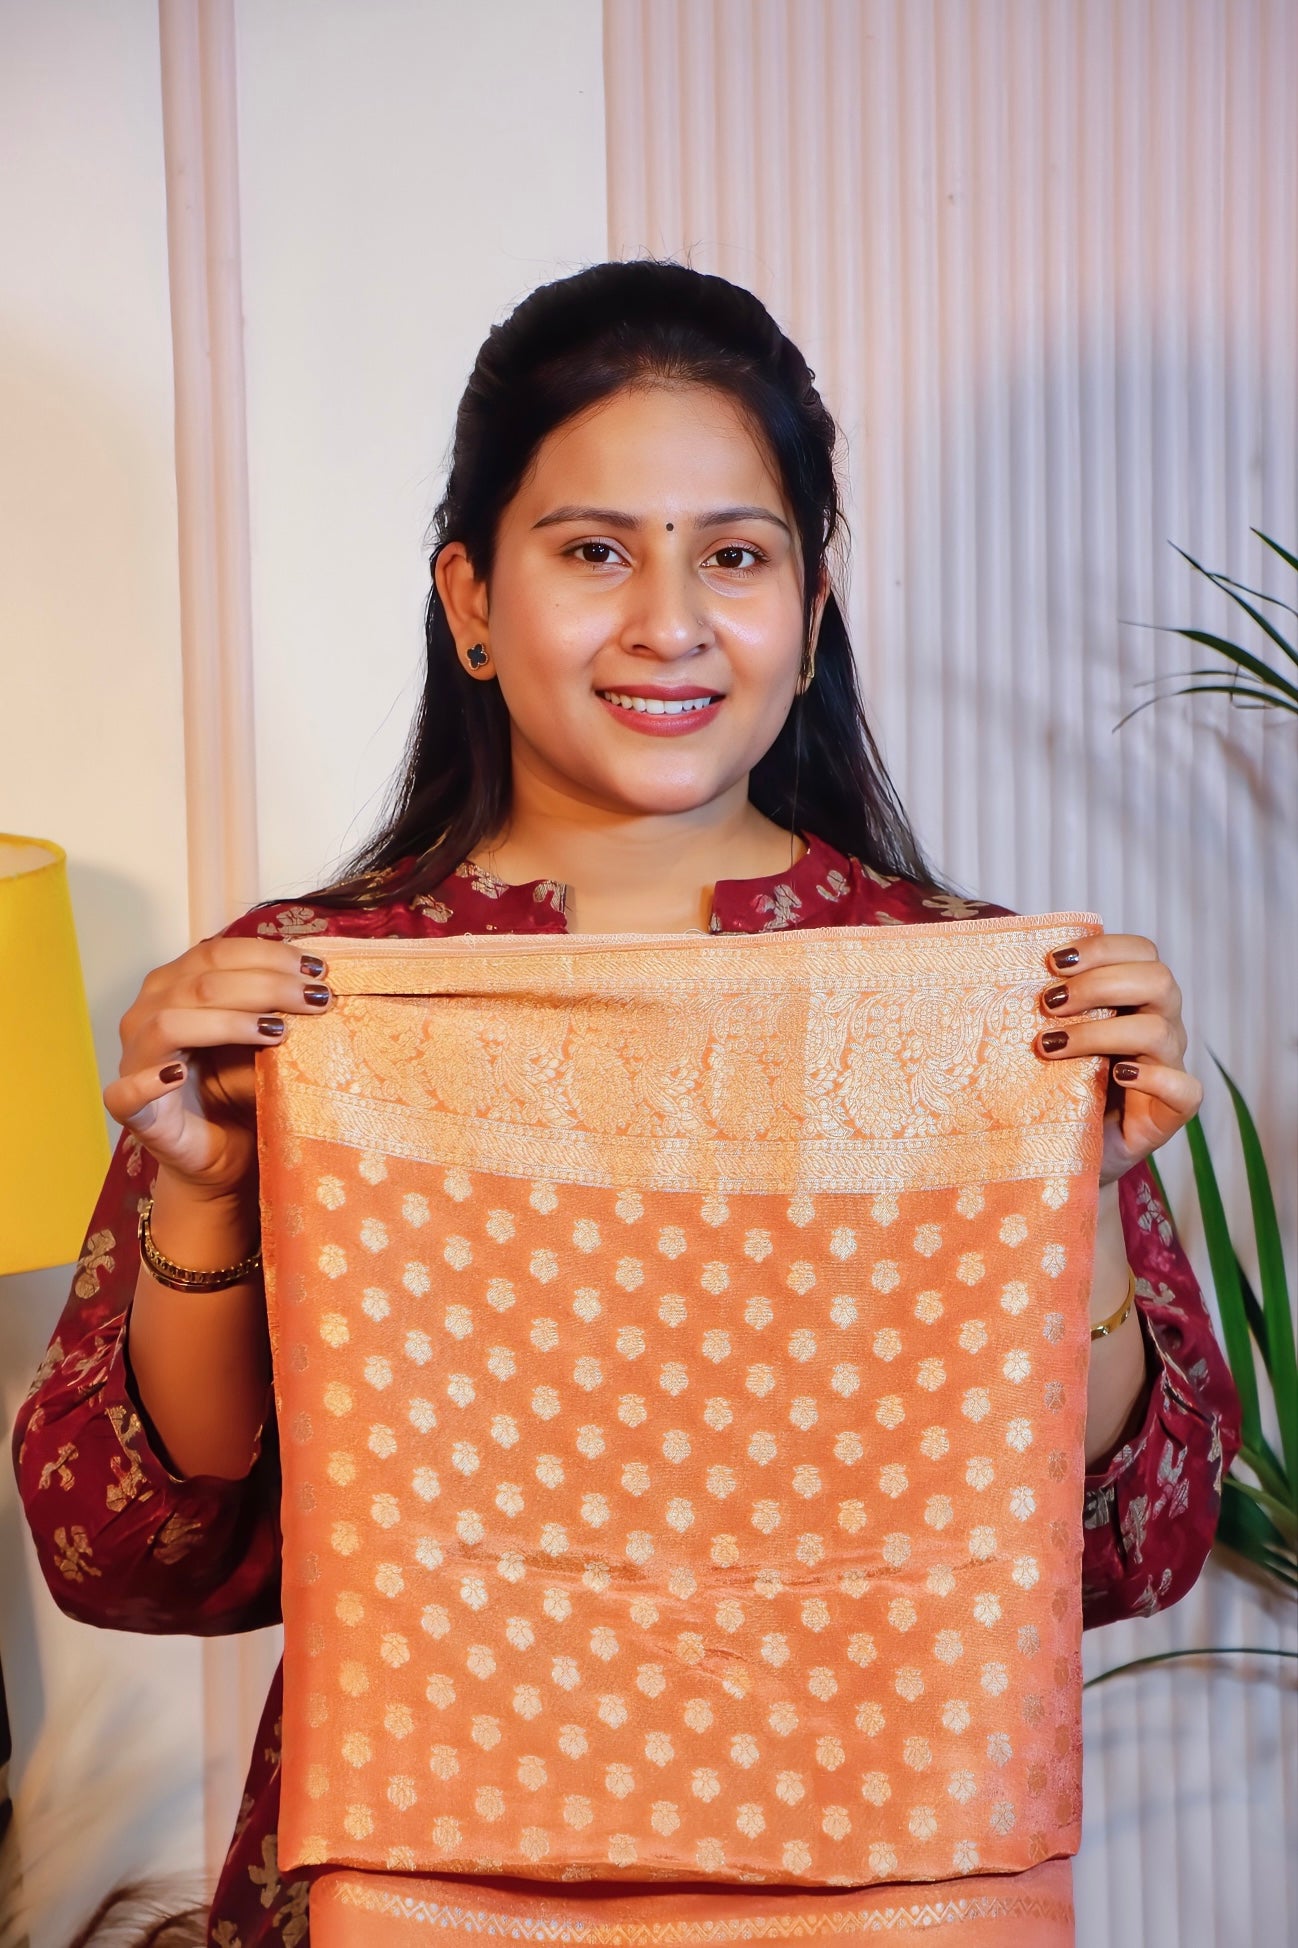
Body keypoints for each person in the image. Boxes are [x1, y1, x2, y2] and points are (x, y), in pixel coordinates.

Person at [15, 262, 1239, 1946]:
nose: (668, 621)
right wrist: (213, 1192)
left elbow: (1127, 1545)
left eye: (733, 555)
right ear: (468, 597)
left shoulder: (980, 1003)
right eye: (593, 550)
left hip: (888, 1887)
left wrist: (1077, 1182)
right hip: (420, 1890)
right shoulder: (297, 997)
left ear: (809, 616)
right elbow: (137, 1554)